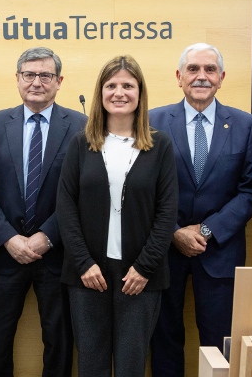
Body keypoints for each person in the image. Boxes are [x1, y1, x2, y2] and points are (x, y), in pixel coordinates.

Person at [56, 54, 177, 377]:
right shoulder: (81, 144)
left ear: (140, 93)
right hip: (87, 275)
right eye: (111, 85)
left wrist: (144, 267)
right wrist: (83, 263)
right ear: (100, 92)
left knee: (131, 366)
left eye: (128, 85)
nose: (119, 93)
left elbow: (167, 214)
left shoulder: (160, 146)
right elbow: (65, 208)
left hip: (139, 276)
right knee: (91, 365)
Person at [148, 44, 252, 376]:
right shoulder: (152, 121)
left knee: (219, 343)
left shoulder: (245, 124)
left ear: (222, 77)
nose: (201, 76)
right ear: (179, 77)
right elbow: (140, 188)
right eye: (193, 69)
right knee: (164, 338)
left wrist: (207, 229)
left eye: (210, 70)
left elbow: (250, 190)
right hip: (163, 251)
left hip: (219, 252)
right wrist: (172, 232)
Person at [0, 47, 86, 377]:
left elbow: (82, 192)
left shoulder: (81, 125)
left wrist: (47, 237)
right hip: (4, 254)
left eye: (45, 75)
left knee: (60, 339)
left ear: (59, 81)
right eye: (29, 74)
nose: (36, 82)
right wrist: (9, 238)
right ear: (18, 78)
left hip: (57, 254)